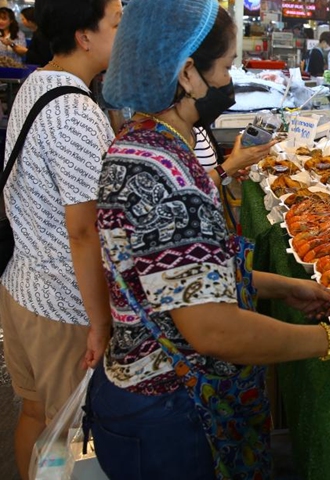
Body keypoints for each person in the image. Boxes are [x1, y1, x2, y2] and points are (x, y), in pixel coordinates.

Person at [92, 2, 330, 478]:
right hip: (169, 411)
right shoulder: (169, 175)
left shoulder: (142, 141)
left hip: (139, 397)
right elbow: (212, 328)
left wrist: (278, 286)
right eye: (227, 66)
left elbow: (177, 277)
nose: (230, 80)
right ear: (188, 73)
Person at [0, 1, 121, 478]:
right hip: (61, 305)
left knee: (36, 414)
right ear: (84, 36)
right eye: (116, 23)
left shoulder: (37, 83)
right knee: (68, 432)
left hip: (20, 288)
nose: (123, 32)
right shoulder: (75, 111)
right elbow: (83, 229)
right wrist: (99, 322)